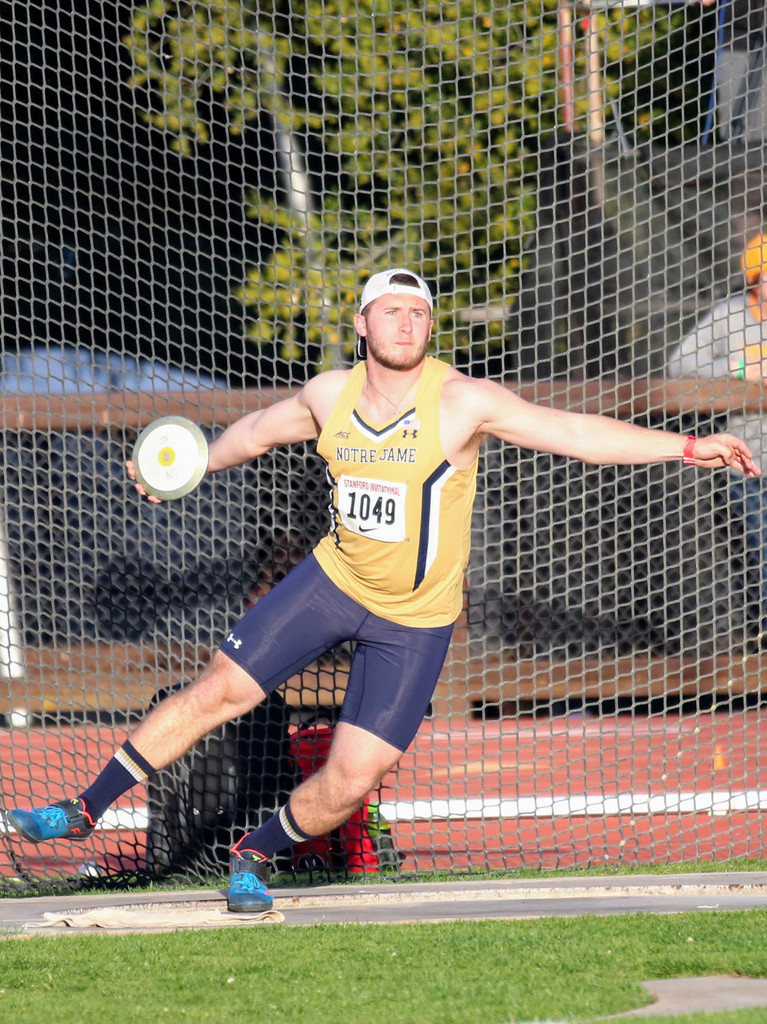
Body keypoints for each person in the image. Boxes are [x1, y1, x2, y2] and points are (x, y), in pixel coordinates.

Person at [7, 268, 759, 913]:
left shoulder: (462, 401)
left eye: (419, 311)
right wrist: (186, 466)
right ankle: (82, 808)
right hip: (333, 582)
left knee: (352, 777)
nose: (407, 321)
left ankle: (253, 853)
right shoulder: (328, 395)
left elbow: (573, 432)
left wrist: (687, 447)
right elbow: (257, 433)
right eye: (391, 310)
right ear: (364, 324)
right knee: (217, 692)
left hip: (415, 620)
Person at [667, 231, 767, 636]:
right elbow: (680, 366)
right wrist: (741, 372)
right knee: (762, 551)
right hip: (753, 461)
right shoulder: (730, 317)